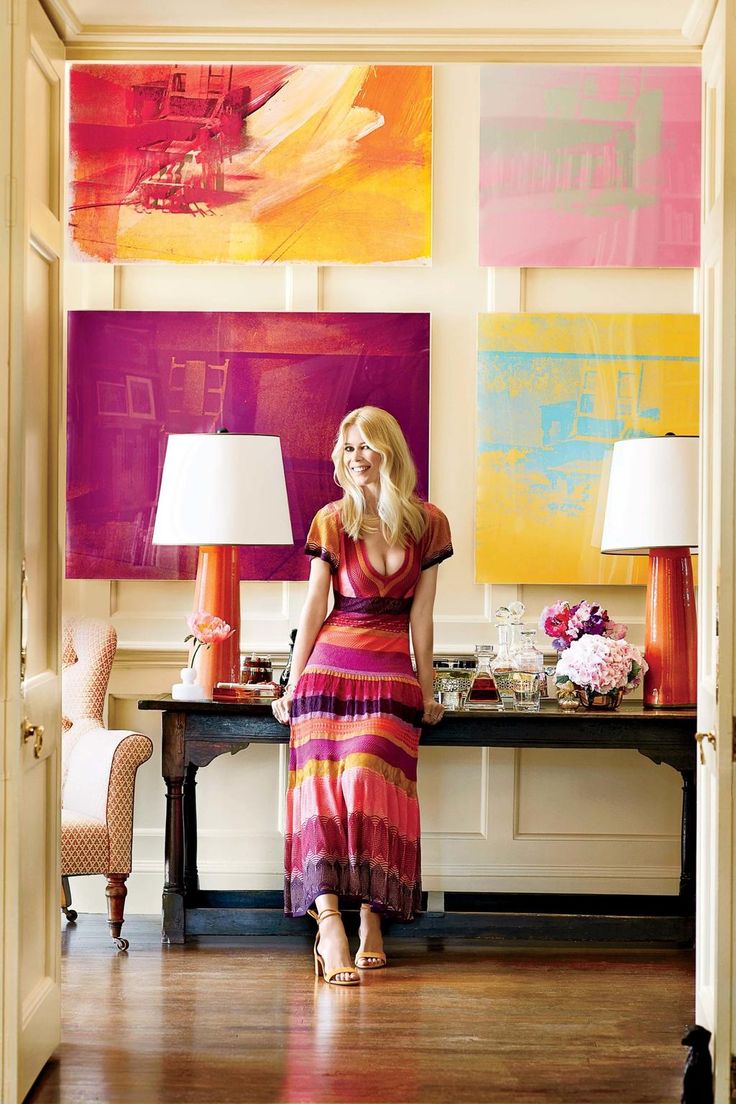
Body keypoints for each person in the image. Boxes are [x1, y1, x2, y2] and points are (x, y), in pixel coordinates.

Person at [272, 406, 453, 986]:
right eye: (347, 447)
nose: (356, 457)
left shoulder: (429, 522)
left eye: (366, 446)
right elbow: (313, 608)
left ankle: (374, 913)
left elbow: (421, 616)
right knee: (326, 786)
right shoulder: (332, 519)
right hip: (328, 671)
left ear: (389, 452)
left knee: (366, 777)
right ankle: (329, 924)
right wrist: (293, 682)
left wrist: (427, 687)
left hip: (391, 674)